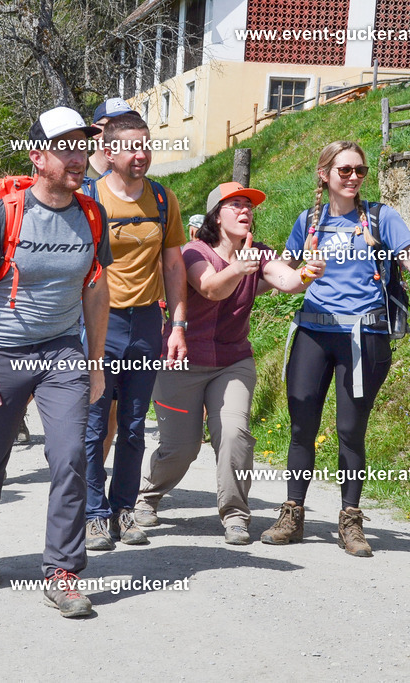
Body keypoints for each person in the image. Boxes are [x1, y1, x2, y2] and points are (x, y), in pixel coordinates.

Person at [262, 140, 410, 556]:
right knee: (301, 427)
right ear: (324, 174)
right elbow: (282, 272)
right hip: (313, 333)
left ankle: (350, 521)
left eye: (360, 170)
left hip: (364, 337)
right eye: (345, 170)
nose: (354, 177)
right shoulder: (308, 222)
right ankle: (292, 514)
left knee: (350, 431)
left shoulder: (382, 218)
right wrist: (248, 279)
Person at [0, 106, 112, 618]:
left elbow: (97, 290)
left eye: (82, 146)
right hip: (5, 351)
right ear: (38, 156)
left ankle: (62, 570)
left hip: (63, 349)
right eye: (65, 148)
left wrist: (95, 362)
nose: (77, 157)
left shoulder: (93, 215)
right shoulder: (2, 216)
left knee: (70, 456)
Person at [134, 182, 325, 544]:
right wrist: (238, 268)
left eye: (248, 206)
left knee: (235, 434)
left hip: (232, 361)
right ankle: (148, 495)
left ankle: (235, 514)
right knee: (182, 447)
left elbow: (286, 279)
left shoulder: (259, 254)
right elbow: (211, 288)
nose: (244, 211)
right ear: (216, 216)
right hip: (181, 361)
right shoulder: (193, 252)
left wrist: (307, 273)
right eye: (235, 204)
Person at [82, 111, 188, 551]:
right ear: (109, 152)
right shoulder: (89, 198)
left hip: (145, 323)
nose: (141, 154)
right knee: (93, 427)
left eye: (146, 145)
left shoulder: (163, 199)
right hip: (98, 325)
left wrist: (177, 325)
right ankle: (93, 513)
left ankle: (123, 509)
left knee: (132, 426)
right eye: (131, 147)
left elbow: (174, 265)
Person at [87, 97, 133, 179]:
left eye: (129, 126)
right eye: (115, 126)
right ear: (96, 132)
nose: (124, 133)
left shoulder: (137, 180)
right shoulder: (77, 174)